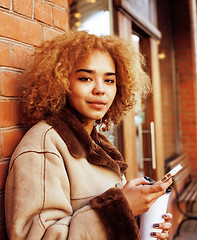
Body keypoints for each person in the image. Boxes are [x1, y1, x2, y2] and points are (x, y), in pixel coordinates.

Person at [5, 30, 173, 240]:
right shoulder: (45, 144)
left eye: (110, 80)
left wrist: (141, 218)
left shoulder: (98, 142)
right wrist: (122, 207)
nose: (100, 89)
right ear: (62, 83)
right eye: (85, 78)